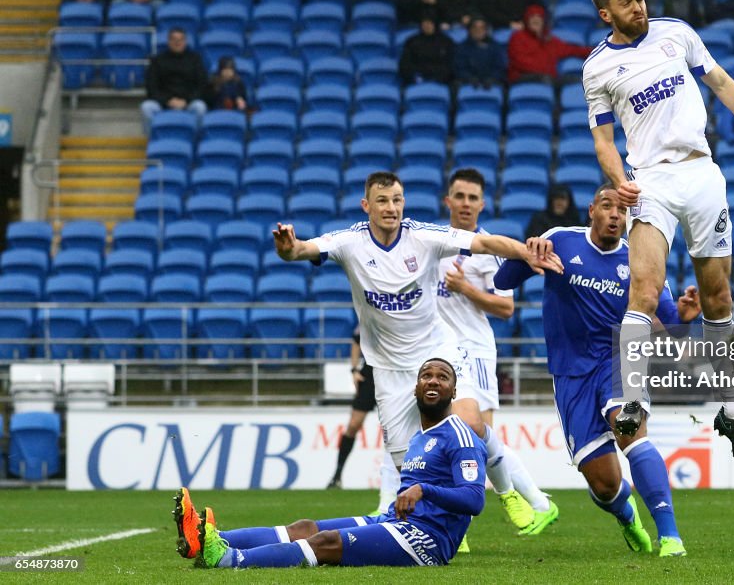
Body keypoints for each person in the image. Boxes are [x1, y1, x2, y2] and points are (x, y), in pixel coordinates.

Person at [582, 0, 734, 467]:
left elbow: (721, 83)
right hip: (650, 180)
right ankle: (635, 402)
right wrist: (620, 180)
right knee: (644, 288)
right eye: (625, 1)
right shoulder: (596, 69)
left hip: (701, 174)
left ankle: (732, 413)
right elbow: (602, 139)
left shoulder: (677, 33)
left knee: (717, 298)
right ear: (605, 13)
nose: (637, 6)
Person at [271, 171, 562, 515]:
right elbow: (302, 250)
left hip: (436, 351)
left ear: (403, 203)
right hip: (388, 368)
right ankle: (433, 521)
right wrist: (288, 249)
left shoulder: (423, 236)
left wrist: (526, 253)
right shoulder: (350, 242)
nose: (391, 207)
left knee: (471, 422)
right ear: (367, 205)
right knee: (407, 462)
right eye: (382, 200)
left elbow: (483, 243)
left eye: (396, 200)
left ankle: (509, 496)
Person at [494, 186, 699, 557]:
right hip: (570, 374)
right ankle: (626, 513)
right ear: (592, 211)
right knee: (605, 486)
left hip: (619, 359)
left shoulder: (641, 261)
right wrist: (529, 252)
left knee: (630, 431)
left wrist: (686, 315)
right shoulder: (559, 241)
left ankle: (671, 537)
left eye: (623, 210)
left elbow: (671, 321)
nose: (616, 215)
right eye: (608, 206)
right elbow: (502, 282)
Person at [174, 359, 487, 569]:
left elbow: (475, 499)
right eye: (426, 376)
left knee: (325, 542)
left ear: (454, 391)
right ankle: (204, 538)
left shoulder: (461, 436)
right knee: (304, 527)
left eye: (442, 377)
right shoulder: (420, 435)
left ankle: (231, 559)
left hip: (428, 540)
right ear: (416, 387)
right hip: (394, 521)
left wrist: (423, 490)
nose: (433, 382)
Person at [436, 169, 559, 536]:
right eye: (459, 196)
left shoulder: (489, 249)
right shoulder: (434, 241)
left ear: (482, 204)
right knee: (447, 438)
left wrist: (465, 288)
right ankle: (530, 503)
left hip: (474, 350)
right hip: (438, 352)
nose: (466, 204)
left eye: (473, 198)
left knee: (480, 437)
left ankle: (536, 502)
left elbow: (506, 309)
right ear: (448, 201)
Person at [325, 326, 402, 503]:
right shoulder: (369, 315)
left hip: (394, 374)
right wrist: (354, 370)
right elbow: (356, 341)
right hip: (370, 375)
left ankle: (402, 482)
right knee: (353, 425)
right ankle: (337, 475)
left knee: (395, 429)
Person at [140, 28, 208, 135]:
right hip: (163, 103)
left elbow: (202, 85)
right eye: (174, 39)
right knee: (146, 107)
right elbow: (151, 86)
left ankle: (196, 140)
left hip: (188, 103)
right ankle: (152, 140)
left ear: (185, 41)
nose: (177, 42)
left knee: (200, 107)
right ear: (169, 41)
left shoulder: (195, 59)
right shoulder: (158, 60)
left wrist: (186, 101)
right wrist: (167, 101)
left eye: (180, 39)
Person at [507, 5, 593, 84]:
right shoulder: (517, 37)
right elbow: (519, 62)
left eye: (539, 17)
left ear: (543, 21)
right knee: (547, 80)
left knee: (577, 80)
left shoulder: (549, 40)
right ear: (527, 20)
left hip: (548, 78)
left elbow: (572, 50)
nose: (535, 20)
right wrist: (545, 69)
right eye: (532, 17)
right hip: (523, 78)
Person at [399, 11, 455, 85]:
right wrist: (415, 77)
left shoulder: (446, 42)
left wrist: (441, 77)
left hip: (442, 80)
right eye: (424, 23)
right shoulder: (412, 41)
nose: (427, 25)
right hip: (416, 79)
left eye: (430, 23)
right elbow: (405, 64)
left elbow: (452, 64)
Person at [454, 16, 506, 88]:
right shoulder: (462, 48)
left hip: (492, 83)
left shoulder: (495, 47)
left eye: (482, 27)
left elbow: (499, 67)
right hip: (467, 83)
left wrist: (492, 78)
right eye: (475, 27)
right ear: (470, 29)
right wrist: (469, 78)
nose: (478, 30)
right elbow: (459, 68)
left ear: (486, 30)